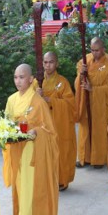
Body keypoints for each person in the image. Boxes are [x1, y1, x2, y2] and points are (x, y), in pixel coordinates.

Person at [3, 64, 59, 215]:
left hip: (31, 150)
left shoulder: (38, 102)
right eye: (15, 77)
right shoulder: (11, 100)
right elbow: (6, 124)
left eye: (21, 77)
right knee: (20, 187)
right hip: (16, 150)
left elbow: (49, 130)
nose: (18, 81)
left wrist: (36, 132)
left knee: (27, 188)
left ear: (30, 79)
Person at [76, 38, 108, 168]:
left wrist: (93, 89)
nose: (94, 53)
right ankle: (85, 157)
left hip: (100, 103)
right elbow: (78, 79)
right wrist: (81, 73)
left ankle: (99, 158)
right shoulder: (86, 60)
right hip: (87, 101)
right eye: (92, 50)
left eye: (97, 50)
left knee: (99, 130)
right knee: (85, 129)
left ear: (103, 49)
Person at [38, 51, 76, 191]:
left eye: (51, 62)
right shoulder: (38, 82)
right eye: (45, 62)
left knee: (61, 150)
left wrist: (50, 100)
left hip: (59, 123)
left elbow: (70, 104)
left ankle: (61, 179)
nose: (48, 65)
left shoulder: (62, 82)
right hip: (43, 123)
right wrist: (36, 95)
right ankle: (47, 179)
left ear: (57, 63)